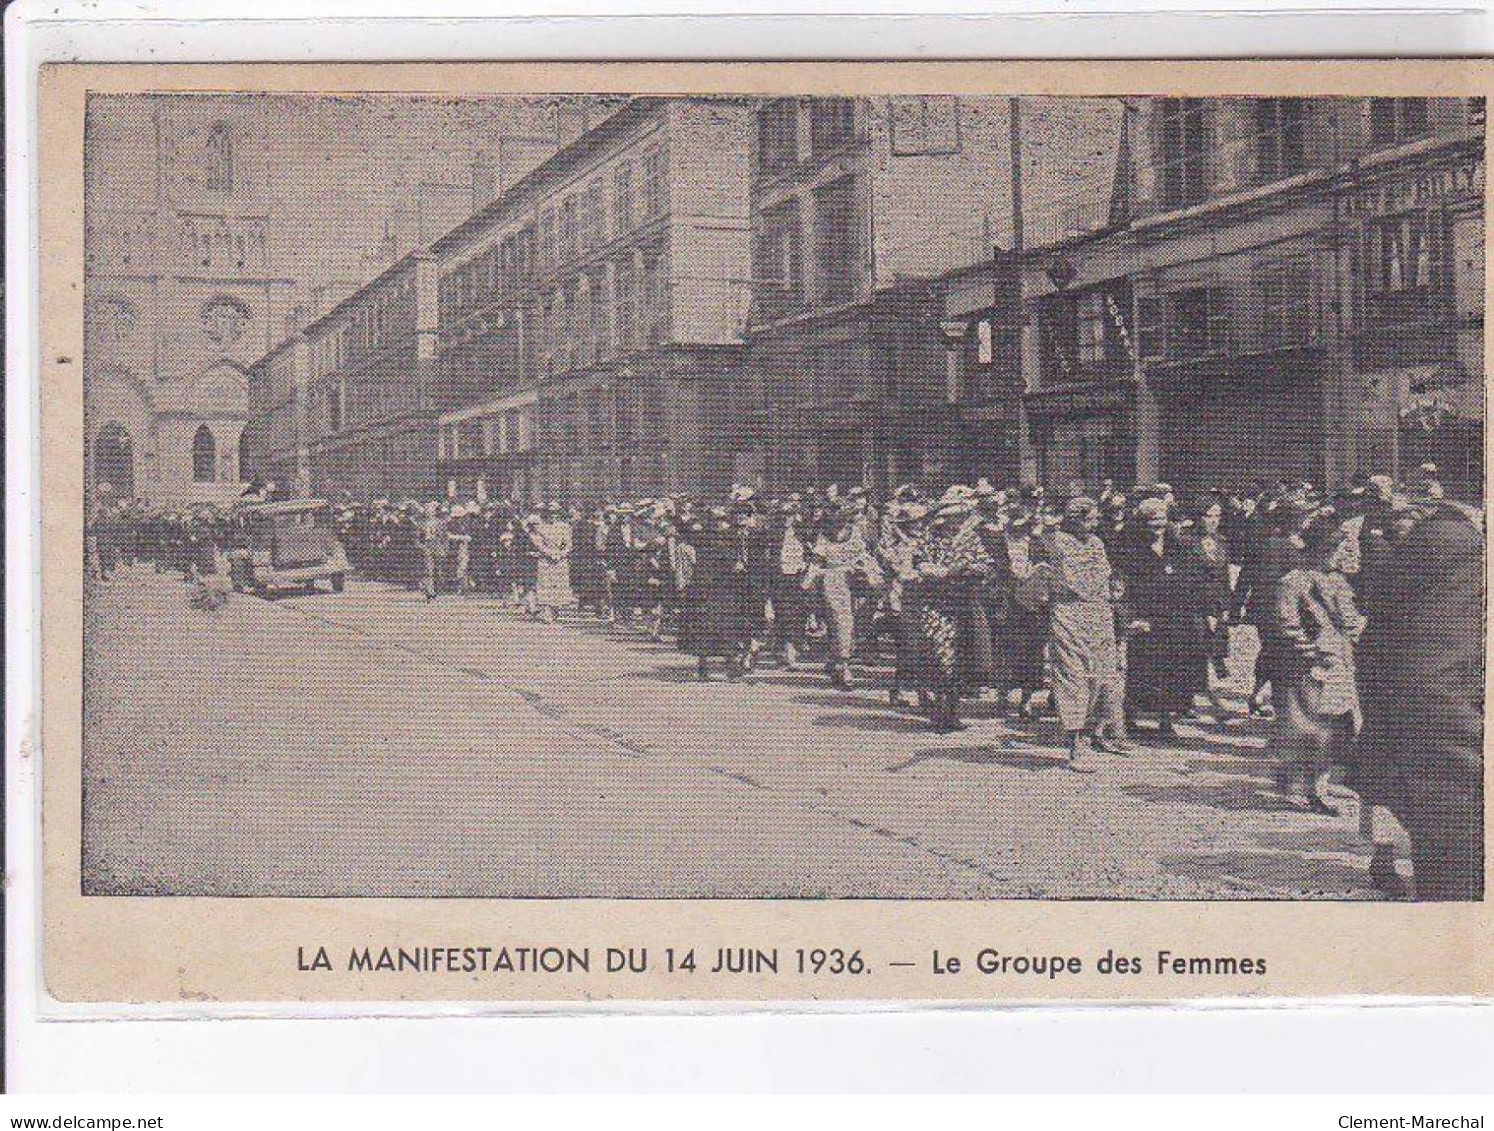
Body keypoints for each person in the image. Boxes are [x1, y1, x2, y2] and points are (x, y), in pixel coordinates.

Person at [1355, 496, 1484, 900]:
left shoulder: (1426, 546)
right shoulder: (1454, 546)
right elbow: (1434, 678)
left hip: (1418, 749)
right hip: (1449, 765)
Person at [1268, 508, 1367, 815]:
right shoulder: (1294, 581)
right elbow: (1286, 624)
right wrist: (1310, 652)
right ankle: (1304, 787)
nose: (1343, 554)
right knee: (1309, 729)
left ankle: (1318, 785)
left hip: (1340, 663)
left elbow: (1350, 621)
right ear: (1324, 548)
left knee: (1339, 727)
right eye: (1339, 549)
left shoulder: (1338, 582)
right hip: (1309, 669)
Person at [1041, 496, 1131, 770]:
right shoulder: (1055, 542)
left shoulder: (1096, 543)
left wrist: (1112, 594)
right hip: (1069, 614)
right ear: (1075, 519)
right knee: (1073, 677)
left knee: (1104, 676)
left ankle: (1101, 731)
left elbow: (1104, 576)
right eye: (1089, 519)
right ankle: (1075, 747)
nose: (1094, 524)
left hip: (1099, 615)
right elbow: (1066, 581)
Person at [1122, 496, 1208, 737]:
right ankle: (1129, 714)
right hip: (1145, 617)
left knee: (1170, 669)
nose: (1157, 525)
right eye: (1152, 520)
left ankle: (1165, 719)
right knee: (1142, 668)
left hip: (1174, 616)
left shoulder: (1179, 545)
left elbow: (1193, 577)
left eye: (1161, 519)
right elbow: (1126, 585)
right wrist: (1132, 617)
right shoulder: (1132, 548)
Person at [910, 490, 993, 732]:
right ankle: (939, 705)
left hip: (965, 602)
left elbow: (985, 564)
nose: (958, 521)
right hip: (936, 602)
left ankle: (952, 710)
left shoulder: (970, 539)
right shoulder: (931, 537)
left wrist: (973, 570)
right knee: (941, 654)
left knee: (965, 656)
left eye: (962, 516)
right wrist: (945, 572)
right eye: (955, 516)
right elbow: (921, 564)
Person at [805, 500, 883, 689]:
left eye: (841, 519)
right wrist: (808, 580)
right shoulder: (824, 536)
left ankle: (837, 659)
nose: (837, 524)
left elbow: (866, 554)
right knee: (842, 621)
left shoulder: (857, 532)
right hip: (834, 580)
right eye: (833, 520)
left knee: (859, 621)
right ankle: (844, 665)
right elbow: (817, 560)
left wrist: (870, 572)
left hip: (859, 580)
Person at [527, 504, 574, 622]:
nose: (553, 515)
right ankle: (547, 611)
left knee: (559, 585)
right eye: (550, 513)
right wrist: (550, 554)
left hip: (560, 560)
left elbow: (567, 543)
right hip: (546, 560)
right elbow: (539, 544)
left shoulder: (564, 527)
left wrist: (561, 553)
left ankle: (555, 608)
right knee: (545, 585)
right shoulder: (541, 528)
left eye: (555, 513)